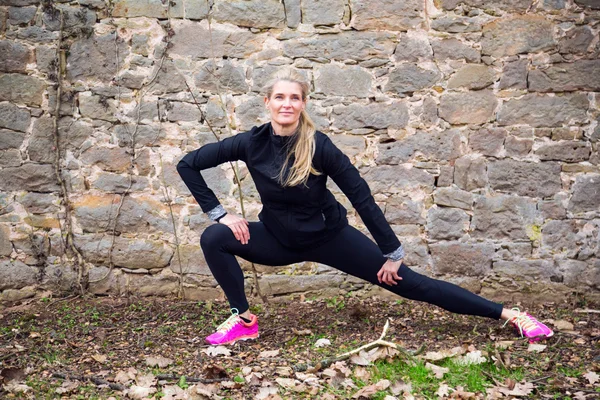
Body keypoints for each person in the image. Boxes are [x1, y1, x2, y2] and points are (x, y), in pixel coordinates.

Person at [177, 69, 553, 346]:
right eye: (280, 97)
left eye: (294, 98)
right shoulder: (249, 142)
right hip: (276, 238)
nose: (286, 104)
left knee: (412, 285)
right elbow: (188, 164)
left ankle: (510, 315)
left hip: (329, 238)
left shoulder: (319, 146)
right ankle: (243, 320)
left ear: (303, 104)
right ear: (267, 103)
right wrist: (221, 213)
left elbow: (361, 197)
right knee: (214, 237)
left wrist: (392, 252)